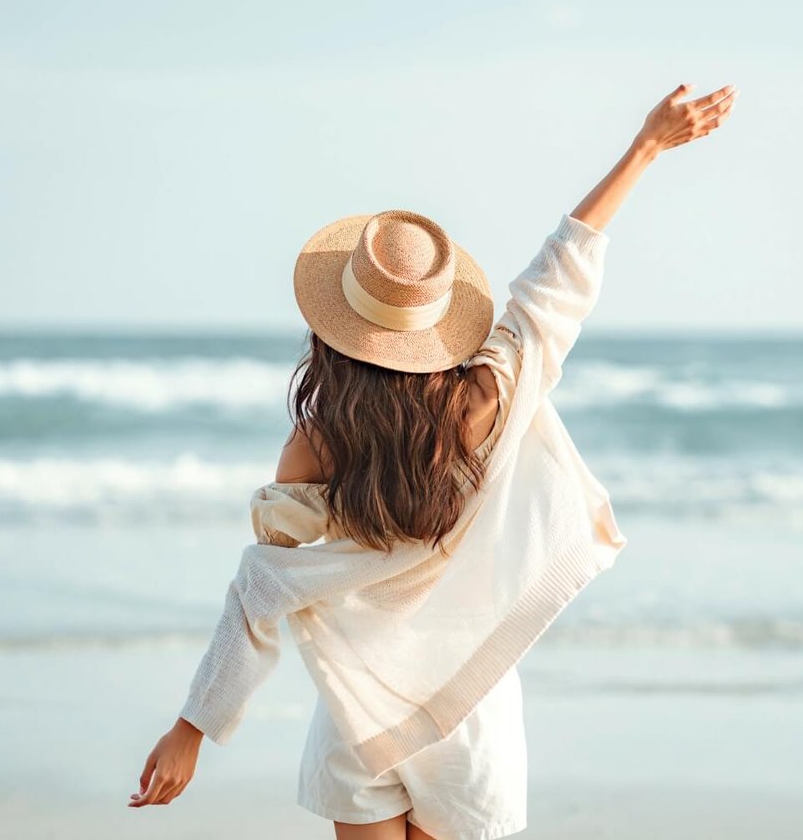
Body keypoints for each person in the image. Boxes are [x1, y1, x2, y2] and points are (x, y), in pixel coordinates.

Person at [129, 80, 740, 839]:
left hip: (360, 715)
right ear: (437, 321)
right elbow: (564, 271)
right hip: (466, 713)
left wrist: (191, 728)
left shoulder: (317, 440)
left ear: (335, 324)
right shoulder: (496, 389)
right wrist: (648, 144)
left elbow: (260, 589)